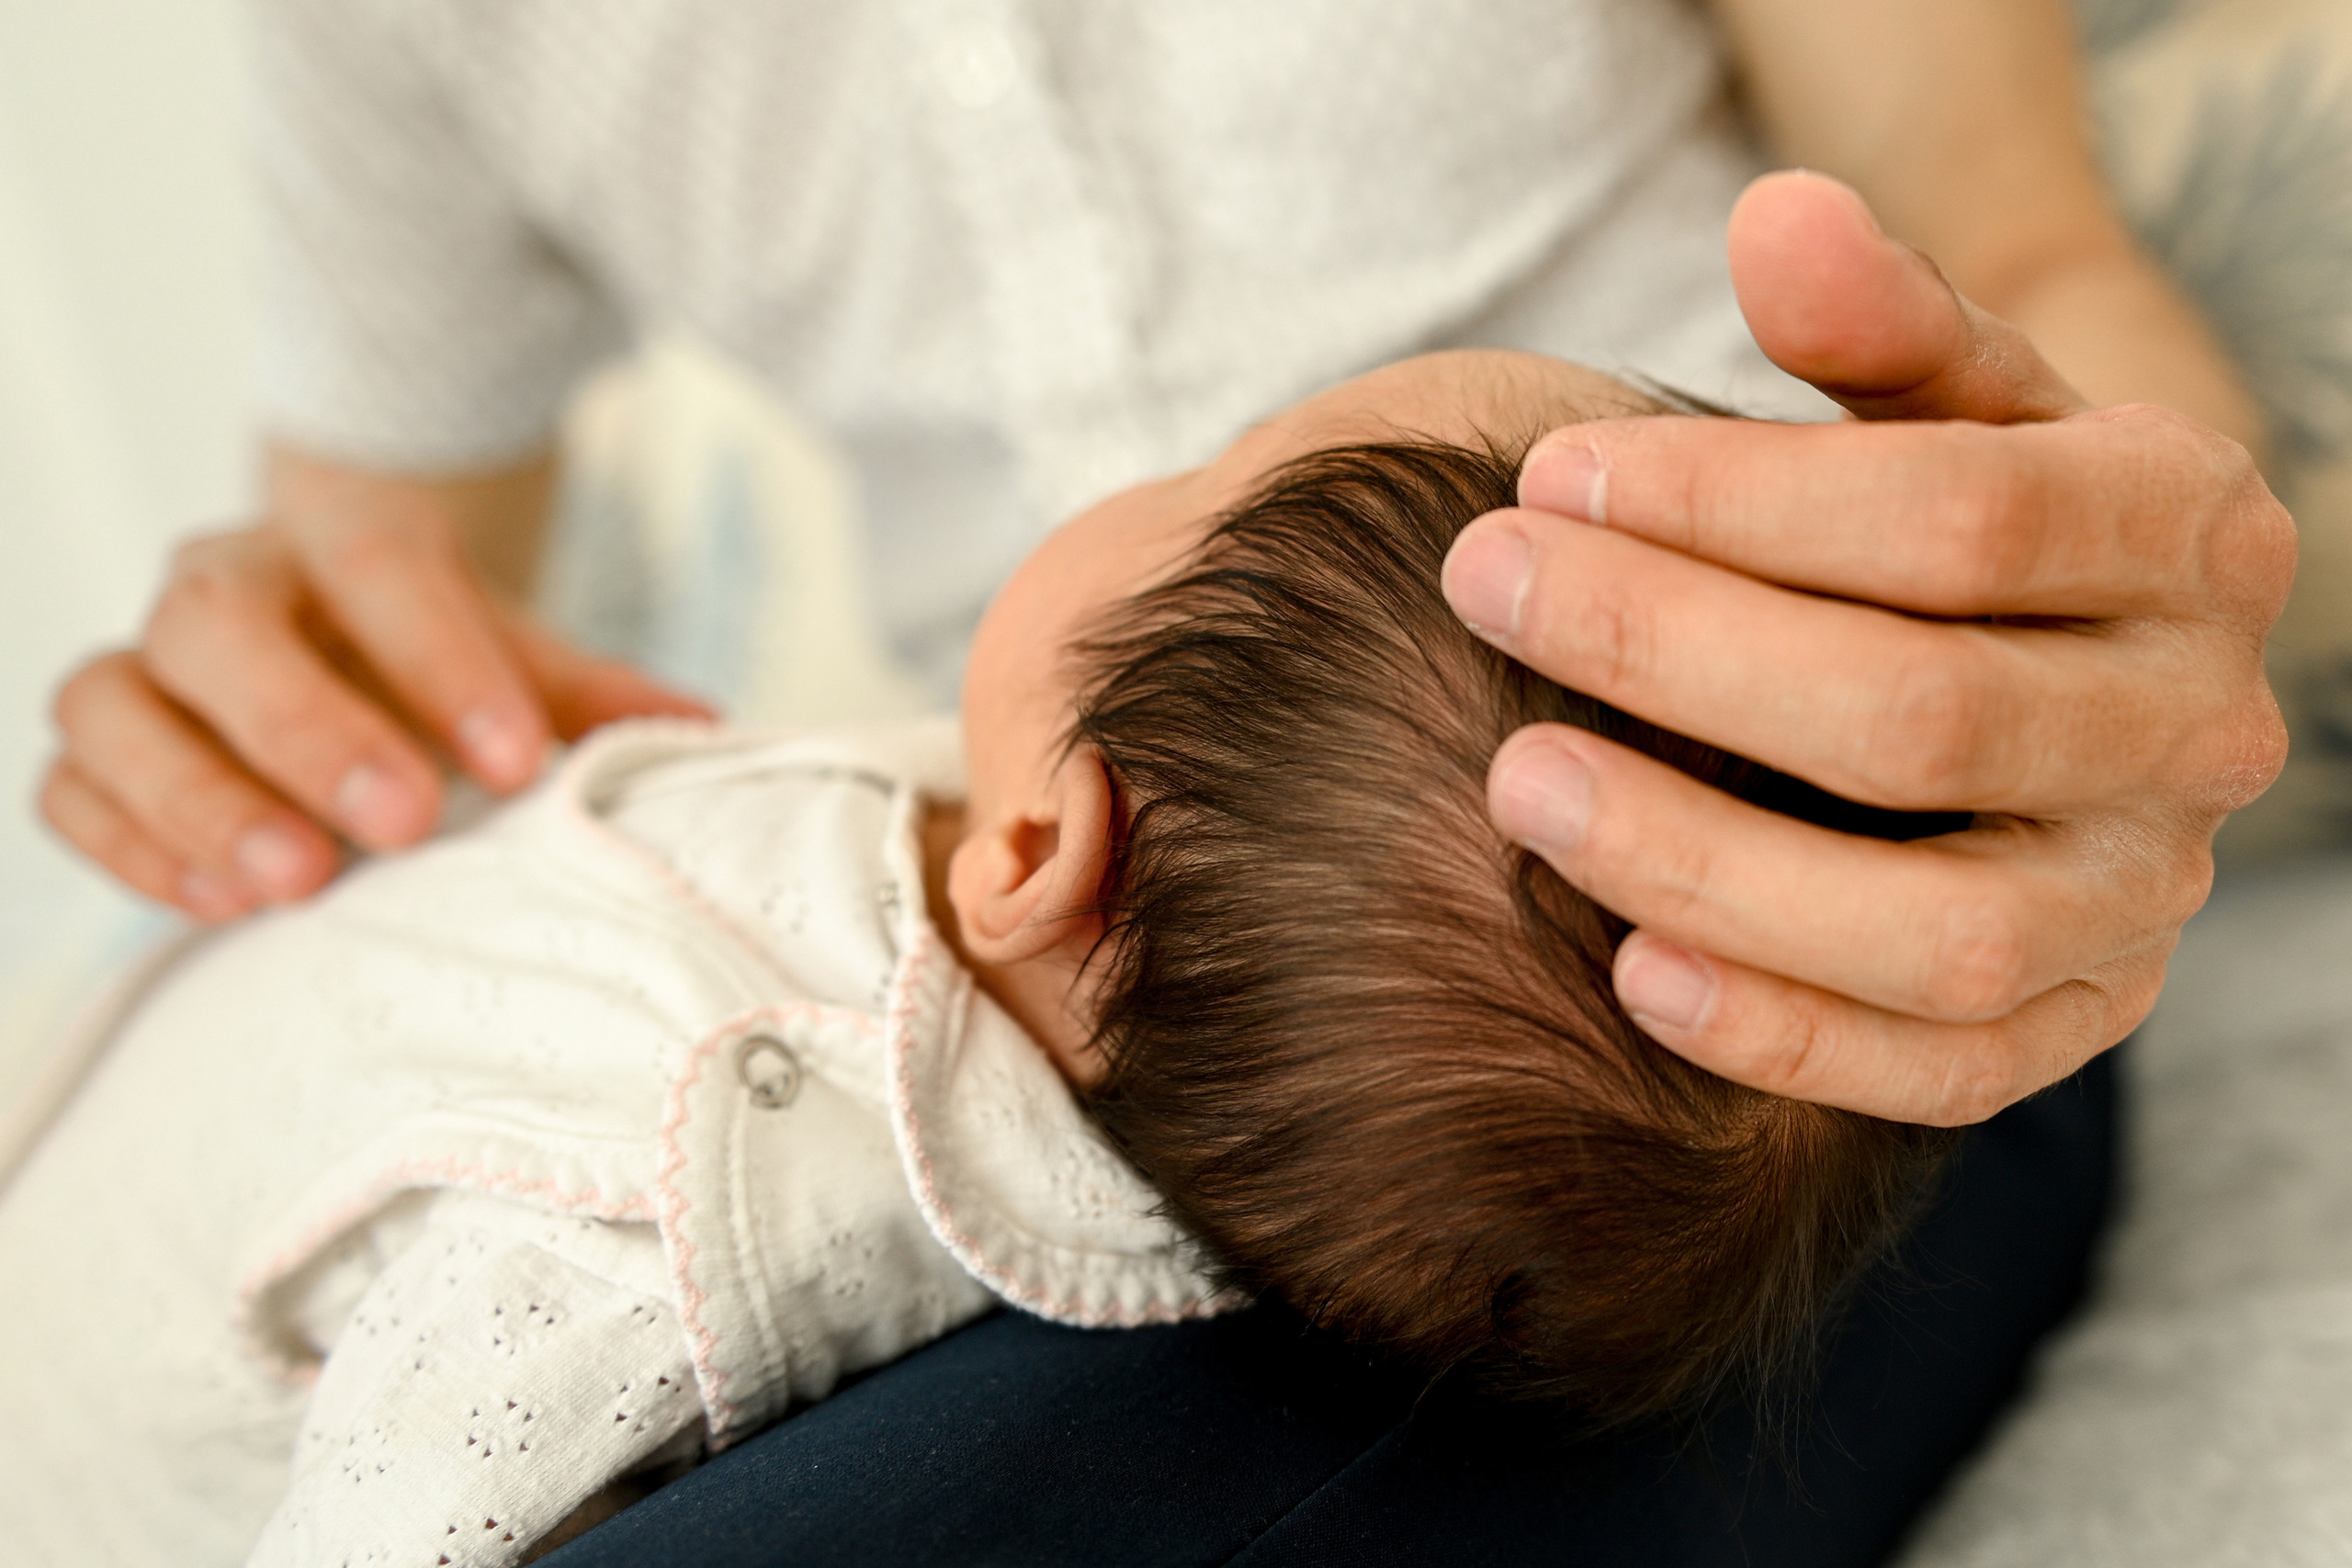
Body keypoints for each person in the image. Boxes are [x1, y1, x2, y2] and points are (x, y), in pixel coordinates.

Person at [28, 0, 2292, 1559]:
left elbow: (2010, 244)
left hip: (1818, 965)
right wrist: (265, 676)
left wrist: (2053, 639)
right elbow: (380, 595)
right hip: (1134, 917)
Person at [1, 352, 1965, 1565]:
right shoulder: (1096, 909)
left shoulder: (653, 1224)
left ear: (1045, 845)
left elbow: (386, 1504)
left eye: (1206, 471)